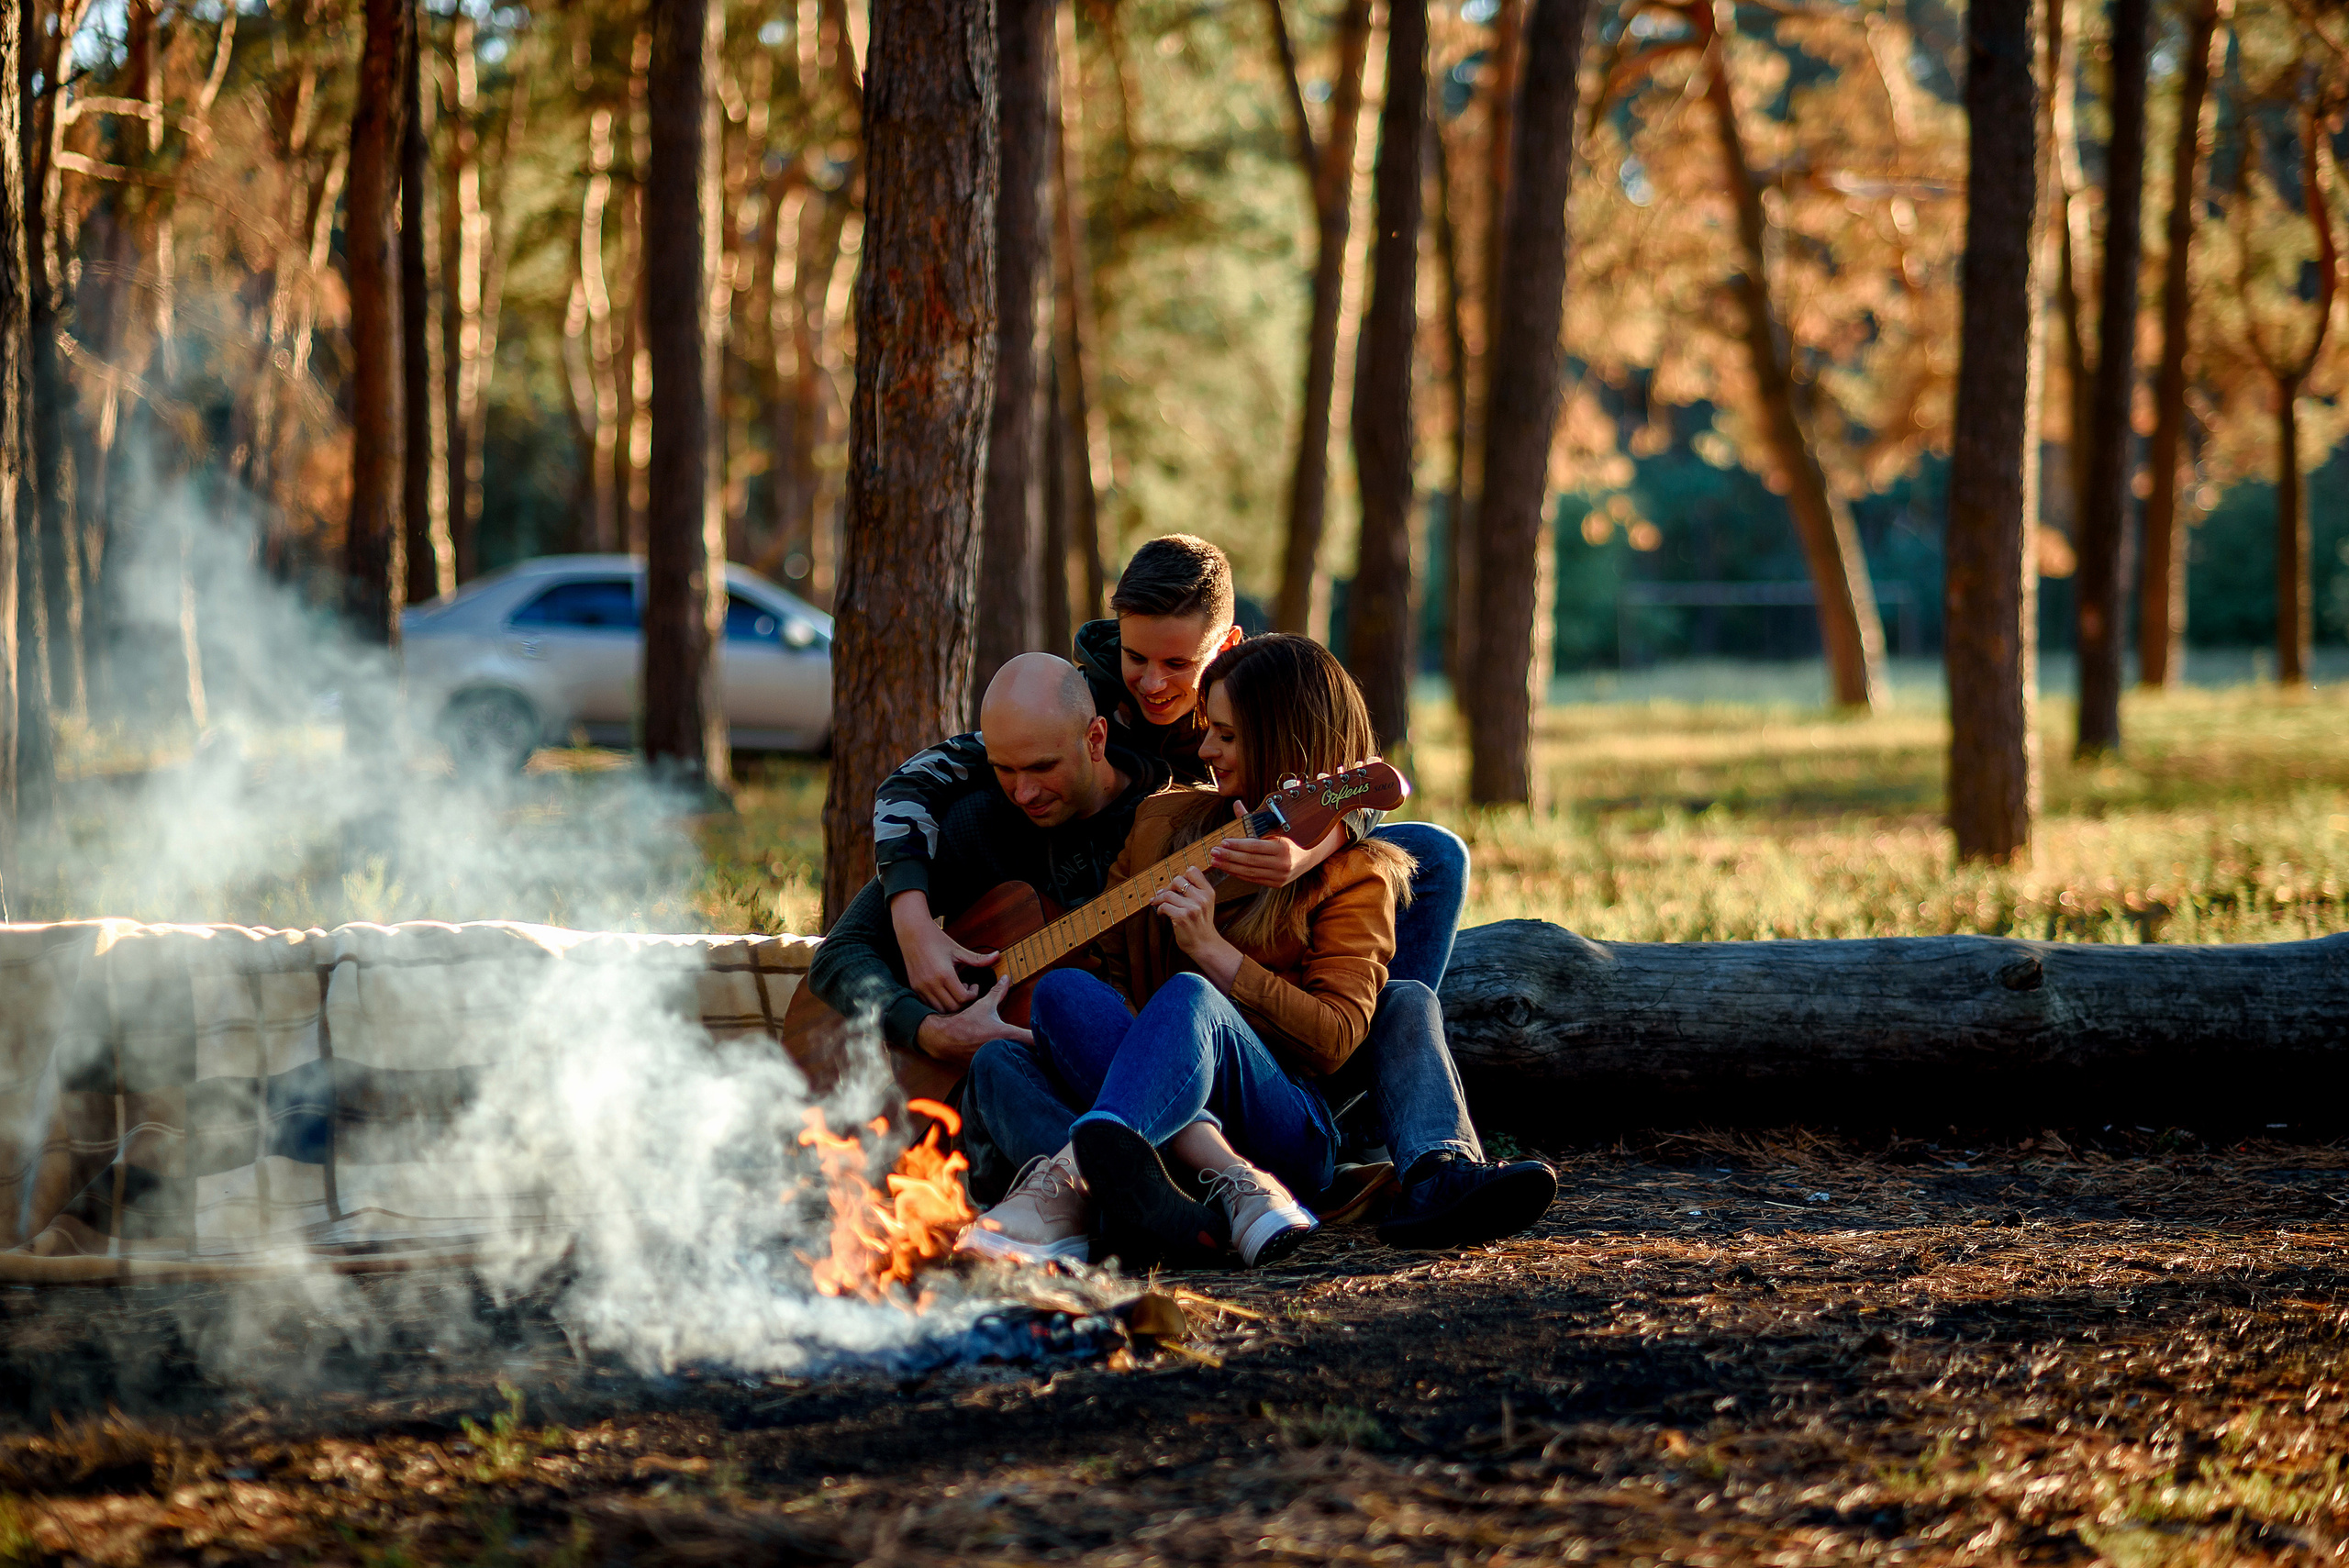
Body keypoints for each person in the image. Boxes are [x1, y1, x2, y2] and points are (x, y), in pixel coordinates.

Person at [874, 535, 1552, 1250]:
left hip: (1284, 1105)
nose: (1197, 740)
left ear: (1276, 740)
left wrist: (1223, 939)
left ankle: (1080, 1181)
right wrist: (915, 928)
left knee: (1332, 959)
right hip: (1164, 1072)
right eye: (1140, 661)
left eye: (1221, 731)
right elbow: (1093, 966)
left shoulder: (1349, 863)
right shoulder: (1137, 782)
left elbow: (1331, 1033)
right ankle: (1176, 1196)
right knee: (1047, 1009)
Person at [803, 655, 1170, 1153]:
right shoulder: (980, 818)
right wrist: (926, 1028)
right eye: (1004, 769)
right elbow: (838, 955)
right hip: (961, 1110)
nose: (1024, 792)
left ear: (1096, 739)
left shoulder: (1163, 824)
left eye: (1043, 767)